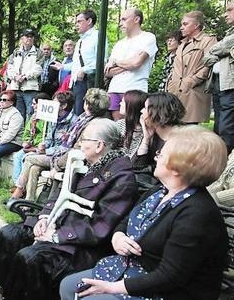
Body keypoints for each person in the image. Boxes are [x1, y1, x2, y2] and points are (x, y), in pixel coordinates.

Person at [0, 118, 138, 300]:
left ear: (99, 145)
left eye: (84, 139)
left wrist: (56, 236)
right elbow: (60, 194)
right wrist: (45, 218)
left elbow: (99, 228)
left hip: (81, 243)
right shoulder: (85, 162)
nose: (79, 143)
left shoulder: (121, 178)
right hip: (58, 224)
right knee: (9, 235)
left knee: (30, 257)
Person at [60, 126, 228, 300]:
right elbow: (127, 219)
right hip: (133, 269)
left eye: (161, 154)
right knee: (68, 286)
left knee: (90, 298)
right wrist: (118, 236)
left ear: (177, 168)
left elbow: (170, 276)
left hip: (167, 291)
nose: (156, 156)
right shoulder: (160, 191)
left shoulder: (197, 214)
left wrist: (112, 288)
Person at [10, 89, 108, 201]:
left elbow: (68, 147)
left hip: (62, 157)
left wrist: (48, 153)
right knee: (34, 168)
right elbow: (49, 138)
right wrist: (44, 145)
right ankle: (28, 202)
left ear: (64, 105)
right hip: (56, 154)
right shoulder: (74, 119)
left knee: (28, 158)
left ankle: (18, 192)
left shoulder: (77, 121)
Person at [104, 9, 157, 120]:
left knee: (133, 126)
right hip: (114, 88)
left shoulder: (148, 38)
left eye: (124, 19)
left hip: (135, 88)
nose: (120, 23)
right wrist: (130, 63)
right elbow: (108, 72)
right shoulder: (119, 44)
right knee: (117, 127)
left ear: (136, 19)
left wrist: (116, 62)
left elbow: (136, 63)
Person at [166, 10, 217, 124]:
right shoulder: (182, 43)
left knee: (189, 132)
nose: (181, 27)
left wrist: (192, 81)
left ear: (196, 25)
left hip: (193, 93)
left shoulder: (208, 40)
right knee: (173, 130)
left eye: (185, 24)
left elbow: (210, 64)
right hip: (175, 92)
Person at [204, 1, 234, 154]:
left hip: (230, 85)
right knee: (219, 120)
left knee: (226, 124)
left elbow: (217, 48)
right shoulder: (229, 33)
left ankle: (225, 157)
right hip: (218, 82)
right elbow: (207, 57)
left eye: (229, 10)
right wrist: (220, 52)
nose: (225, 14)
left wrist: (217, 51)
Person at [133, 92, 185, 171]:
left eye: (145, 108)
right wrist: (146, 140)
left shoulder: (183, 141)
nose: (141, 111)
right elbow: (137, 167)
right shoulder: (154, 136)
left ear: (157, 112)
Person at [11, 93, 50, 186]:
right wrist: (26, 141)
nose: (32, 106)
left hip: (41, 147)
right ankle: (17, 183)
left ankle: (22, 186)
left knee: (24, 158)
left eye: (34, 103)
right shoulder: (33, 117)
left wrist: (40, 145)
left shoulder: (49, 119)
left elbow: (47, 136)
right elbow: (27, 132)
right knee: (17, 156)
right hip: (31, 145)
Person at [6, 28, 44, 120]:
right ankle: (20, 133)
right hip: (16, 88)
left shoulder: (39, 53)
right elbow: (9, 67)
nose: (29, 39)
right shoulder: (15, 52)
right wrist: (15, 77)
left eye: (31, 37)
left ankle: (29, 133)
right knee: (18, 114)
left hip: (31, 88)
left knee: (31, 113)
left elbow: (38, 69)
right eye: (27, 36)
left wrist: (25, 76)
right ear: (22, 38)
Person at [70, 9, 103, 116]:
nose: (76, 25)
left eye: (79, 21)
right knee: (76, 113)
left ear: (89, 21)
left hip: (88, 81)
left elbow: (102, 60)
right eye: (76, 22)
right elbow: (76, 64)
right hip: (77, 82)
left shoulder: (98, 36)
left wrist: (84, 70)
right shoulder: (80, 40)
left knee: (85, 113)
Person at [116, 90, 147, 158]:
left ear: (131, 106)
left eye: (123, 102)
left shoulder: (143, 131)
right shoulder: (119, 124)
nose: (120, 103)